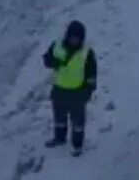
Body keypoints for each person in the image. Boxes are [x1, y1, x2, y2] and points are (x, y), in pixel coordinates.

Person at [41, 19, 98, 156]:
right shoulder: (57, 46)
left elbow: (91, 74)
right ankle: (59, 138)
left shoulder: (87, 53)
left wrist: (87, 91)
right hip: (59, 90)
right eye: (72, 37)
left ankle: (77, 146)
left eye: (77, 38)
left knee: (78, 122)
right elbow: (47, 60)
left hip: (78, 93)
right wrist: (55, 62)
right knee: (59, 119)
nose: (74, 41)